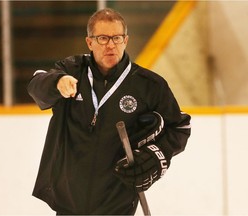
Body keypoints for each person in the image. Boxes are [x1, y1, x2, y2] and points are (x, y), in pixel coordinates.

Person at [27, 8, 191, 215]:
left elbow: (180, 126)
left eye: (117, 38)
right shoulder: (71, 71)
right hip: (69, 204)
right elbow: (36, 84)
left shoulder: (149, 85)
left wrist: (156, 156)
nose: (110, 45)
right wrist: (57, 82)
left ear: (126, 40)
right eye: (103, 38)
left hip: (118, 203)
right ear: (90, 42)